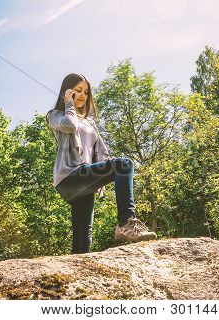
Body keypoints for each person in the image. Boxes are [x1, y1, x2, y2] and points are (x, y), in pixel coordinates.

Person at [46, 73, 157, 254]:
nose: (83, 95)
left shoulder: (89, 122)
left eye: (86, 92)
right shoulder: (56, 115)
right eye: (78, 90)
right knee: (124, 164)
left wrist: (102, 178)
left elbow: (101, 152)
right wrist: (69, 104)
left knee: (83, 236)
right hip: (69, 177)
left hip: (85, 178)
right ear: (67, 92)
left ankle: (78, 270)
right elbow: (70, 126)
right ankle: (126, 222)